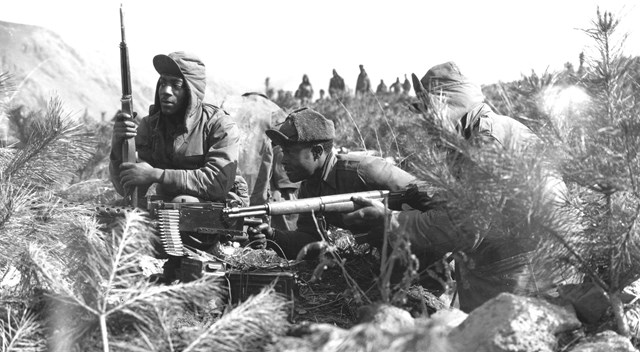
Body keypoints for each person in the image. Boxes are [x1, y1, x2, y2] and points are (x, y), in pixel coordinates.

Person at [343, 62, 569, 312]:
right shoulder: (487, 130)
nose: (424, 122)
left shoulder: (484, 141)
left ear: (449, 105)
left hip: (525, 269)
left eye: (428, 110)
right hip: (536, 257)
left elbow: (466, 227)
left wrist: (392, 221)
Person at [109, 51, 245, 278]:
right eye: (162, 83)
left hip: (218, 216)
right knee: (117, 212)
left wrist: (156, 175)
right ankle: (128, 279)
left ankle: (201, 263)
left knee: (185, 205)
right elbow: (127, 189)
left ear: (191, 90)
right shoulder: (151, 126)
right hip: (171, 214)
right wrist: (118, 143)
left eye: (176, 85)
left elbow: (217, 182)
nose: (165, 91)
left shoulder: (219, 125)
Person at [247, 107, 421, 259]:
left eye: (290, 152)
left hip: (420, 255)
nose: (283, 161)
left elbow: (431, 197)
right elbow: (310, 241)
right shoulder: (310, 186)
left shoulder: (365, 171)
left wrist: (394, 219)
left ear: (316, 152)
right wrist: (273, 236)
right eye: (283, 152)